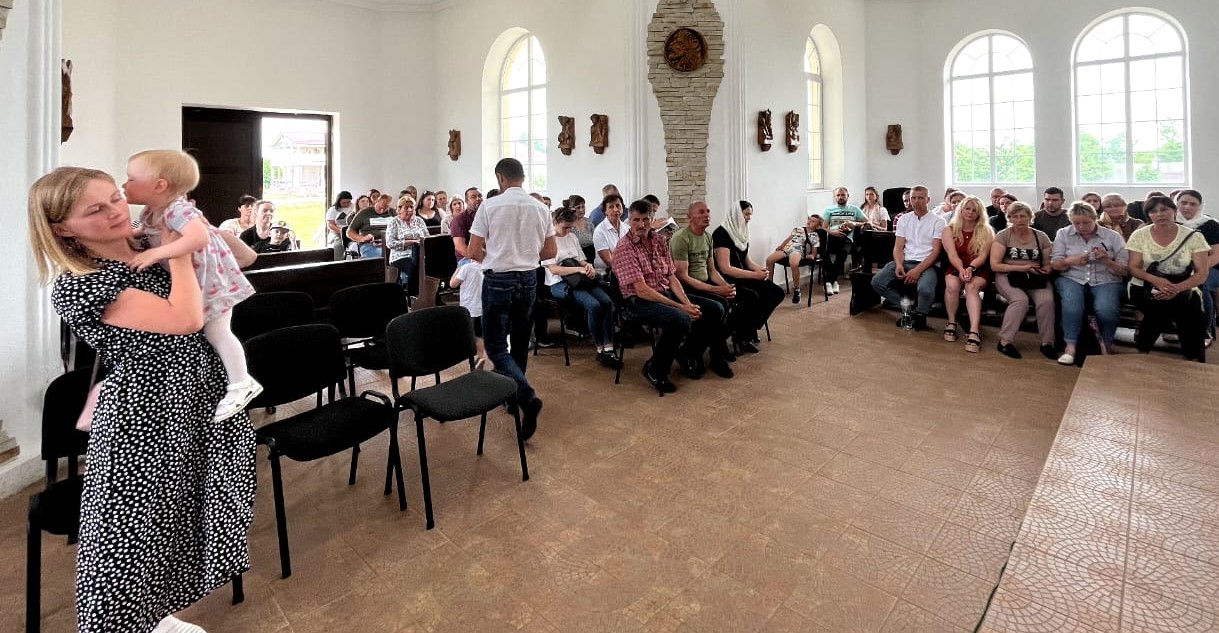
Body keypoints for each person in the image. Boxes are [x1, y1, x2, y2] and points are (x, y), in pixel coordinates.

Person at [30, 166, 256, 633]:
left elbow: (247, 256)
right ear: (60, 228)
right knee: (133, 533)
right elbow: (186, 318)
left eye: (115, 197)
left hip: (196, 394)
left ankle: (155, 616)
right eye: (95, 209)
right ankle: (121, 624)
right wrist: (178, 250)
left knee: (188, 512)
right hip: (146, 413)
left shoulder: (149, 239)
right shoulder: (79, 283)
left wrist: (199, 230)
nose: (115, 211)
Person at [125, 149, 262, 419]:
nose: (124, 184)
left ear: (159, 185)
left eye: (130, 178)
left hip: (210, 282)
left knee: (218, 333)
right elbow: (143, 231)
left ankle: (241, 383)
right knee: (214, 333)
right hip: (198, 282)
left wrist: (157, 252)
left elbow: (198, 239)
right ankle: (238, 380)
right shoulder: (151, 210)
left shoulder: (177, 209)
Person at [468, 158, 556, 440]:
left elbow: (472, 250)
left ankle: (526, 396)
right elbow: (551, 249)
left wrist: (496, 257)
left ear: (500, 178)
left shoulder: (490, 205)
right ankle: (513, 395)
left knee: (495, 346)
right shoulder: (541, 208)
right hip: (529, 278)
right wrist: (525, 256)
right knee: (519, 340)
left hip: (499, 280)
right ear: (522, 177)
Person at [613, 199, 705, 393]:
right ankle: (655, 368)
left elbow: (671, 276)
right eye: (636, 220)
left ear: (652, 219)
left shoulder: (659, 240)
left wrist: (688, 303)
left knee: (713, 309)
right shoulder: (624, 247)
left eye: (645, 219)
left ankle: (685, 353)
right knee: (680, 319)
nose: (641, 225)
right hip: (637, 301)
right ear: (629, 220)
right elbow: (642, 290)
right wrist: (681, 307)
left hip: (663, 291)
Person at [1126, 195, 1211, 362]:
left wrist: (1176, 289)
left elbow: (1202, 273)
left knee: (1189, 311)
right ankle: (1147, 354)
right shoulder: (1139, 235)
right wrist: (1157, 281)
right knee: (1160, 305)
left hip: (1183, 285)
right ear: (1148, 215)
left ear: (1174, 211)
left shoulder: (1194, 236)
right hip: (1145, 286)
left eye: (1164, 209)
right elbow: (1133, 268)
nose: (1160, 214)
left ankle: (1189, 357)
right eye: (1153, 211)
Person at [1051, 201, 1129, 365]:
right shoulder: (1063, 234)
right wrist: (1070, 261)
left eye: (1086, 222)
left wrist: (1107, 260)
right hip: (1072, 276)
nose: (1081, 226)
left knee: (1106, 309)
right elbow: (1055, 264)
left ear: (1095, 219)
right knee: (1072, 304)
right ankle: (1070, 347)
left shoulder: (1112, 236)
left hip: (1106, 278)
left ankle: (1105, 345)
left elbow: (1124, 270)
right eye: (1076, 223)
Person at [542, 207, 619, 368]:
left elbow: (580, 259)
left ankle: (608, 346)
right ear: (555, 222)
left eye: (570, 227)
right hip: (559, 283)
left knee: (607, 302)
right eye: (565, 227)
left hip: (579, 278)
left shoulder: (571, 237)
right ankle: (599, 348)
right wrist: (578, 269)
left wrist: (588, 266)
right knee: (594, 305)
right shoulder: (547, 240)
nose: (568, 230)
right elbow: (554, 269)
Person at [669, 201, 736, 378]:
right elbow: (682, 276)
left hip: (703, 285)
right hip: (685, 289)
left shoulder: (707, 237)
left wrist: (725, 287)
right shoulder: (681, 238)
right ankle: (696, 353)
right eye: (701, 212)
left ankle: (711, 352)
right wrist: (715, 290)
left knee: (730, 300)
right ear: (689, 217)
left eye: (708, 211)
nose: (707, 215)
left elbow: (712, 270)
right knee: (716, 307)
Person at [871, 185, 946, 331]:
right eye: (913, 198)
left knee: (925, 289)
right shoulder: (903, 219)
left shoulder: (938, 221)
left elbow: (936, 251)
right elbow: (898, 247)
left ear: (928, 199)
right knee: (877, 282)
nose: (916, 201)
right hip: (906, 261)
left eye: (920, 198)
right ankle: (907, 308)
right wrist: (899, 264)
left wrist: (917, 270)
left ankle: (921, 316)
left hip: (927, 264)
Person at [713, 200, 785, 349]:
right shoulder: (721, 233)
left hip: (744, 275)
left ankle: (747, 330)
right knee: (752, 296)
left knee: (776, 292)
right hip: (727, 279)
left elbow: (747, 260)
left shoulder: (742, 231)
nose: (748, 218)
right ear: (737, 214)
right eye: (746, 215)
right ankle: (741, 334)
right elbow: (725, 268)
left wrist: (761, 270)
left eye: (750, 215)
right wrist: (753, 275)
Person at [989, 202, 1056, 360]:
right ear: (1010, 218)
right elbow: (995, 265)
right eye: (1015, 216)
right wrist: (1023, 267)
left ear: (1030, 217)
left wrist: (1045, 269)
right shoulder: (1004, 235)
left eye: (1023, 216)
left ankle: (1047, 343)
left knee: (1046, 301)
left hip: (1034, 277)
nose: (1019, 219)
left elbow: (1047, 264)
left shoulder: (1041, 237)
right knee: (1020, 300)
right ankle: (1005, 341)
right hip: (1008, 275)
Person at [940, 196, 995, 353]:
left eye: (974, 210)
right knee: (952, 285)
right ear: (961, 210)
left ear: (980, 213)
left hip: (978, 267)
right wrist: (961, 269)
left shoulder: (987, 231)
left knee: (971, 287)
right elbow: (951, 254)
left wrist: (970, 268)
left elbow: (983, 256)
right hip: (956, 265)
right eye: (967, 209)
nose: (970, 213)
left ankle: (974, 330)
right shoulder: (949, 229)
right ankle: (951, 322)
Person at [1174, 189, 1219, 345]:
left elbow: (1216, 255)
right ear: (1176, 204)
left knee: (1200, 286)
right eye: (1183, 203)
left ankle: (1203, 331)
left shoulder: (1210, 225)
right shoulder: (1171, 222)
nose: (1187, 207)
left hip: (1210, 268)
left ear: (1200, 206)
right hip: (1178, 267)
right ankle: (1173, 327)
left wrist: (1197, 270)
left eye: (1193, 204)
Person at [820, 186, 868, 295]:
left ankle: (828, 281)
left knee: (843, 253)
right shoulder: (829, 210)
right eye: (838, 195)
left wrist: (854, 223)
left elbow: (867, 222)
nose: (840, 197)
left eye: (843, 195)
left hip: (847, 238)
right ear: (835, 197)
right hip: (832, 237)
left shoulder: (854, 209)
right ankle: (833, 281)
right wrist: (833, 232)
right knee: (823, 252)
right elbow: (824, 228)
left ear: (847, 196)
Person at [765, 214, 822, 304]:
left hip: (797, 250)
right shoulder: (798, 229)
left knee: (794, 264)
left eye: (813, 221)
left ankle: (797, 289)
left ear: (818, 226)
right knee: (769, 260)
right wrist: (781, 246)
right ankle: (769, 286)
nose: (809, 222)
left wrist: (813, 255)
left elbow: (815, 247)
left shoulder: (814, 235)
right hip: (787, 248)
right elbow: (788, 239)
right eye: (809, 220)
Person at [448, 260, 489, 369]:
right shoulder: (488, 268)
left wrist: (457, 269)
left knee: (468, 333)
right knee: (480, 334)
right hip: (483, 307)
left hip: (468, 308)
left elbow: (452, 284)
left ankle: (470, 356)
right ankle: (481, 356)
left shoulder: (466, 267)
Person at [385, 194, 430, 291]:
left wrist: (421, 242)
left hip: (420, 254)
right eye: (406, 207)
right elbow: (390, 243)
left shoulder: (419, 221)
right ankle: (412, 296)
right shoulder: (394, 222)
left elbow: (427, 237)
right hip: (400, 256)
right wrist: (410, 242)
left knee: (430, 266)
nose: (409, 210)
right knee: (414, 268)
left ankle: (431, 296)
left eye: (411, 207)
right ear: (399, 209)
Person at [346, 193, 394, 258]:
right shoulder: (364, 213)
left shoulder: (392, 212)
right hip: (370, 244)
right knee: (378, 255)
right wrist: (362, 238)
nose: (381, 211)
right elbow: (349, 232)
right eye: (380, 207)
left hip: (389, 242)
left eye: (385, 209)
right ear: (376, 201)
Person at [592, 193, 629, 275]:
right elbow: (610, 262)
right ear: (605, 211)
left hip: (627, 268)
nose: (616, 209)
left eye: (618, 206)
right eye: (611, 207)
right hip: (607, 273)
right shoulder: (599, 231)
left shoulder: (627, 228)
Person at [451, 186, 483, 262]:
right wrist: (480, 260)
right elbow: (460, 247)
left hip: (485, 255)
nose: (478, 199)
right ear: (467, 201)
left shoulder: (486, 216)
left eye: (480, 196)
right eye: (473, 197)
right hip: (466, 258)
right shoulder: (459, 220)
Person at [566, 195, 596, 261]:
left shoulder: (589, 222)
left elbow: (595, 241)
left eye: (583, 207)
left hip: (592, 258)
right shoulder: (568, 225)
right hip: (575, 260)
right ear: (571, 209)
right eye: (578, 208)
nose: (581, 210)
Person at [325, 190, 354, 258]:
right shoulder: (333, 210)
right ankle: (339, 263)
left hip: (351, 232)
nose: (346, 204)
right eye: (344, 203)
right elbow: (330, 225)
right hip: (337, 233)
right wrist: (342, 231)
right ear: (339, 201)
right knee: (339, 244)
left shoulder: (353, 207)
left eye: (348, 202)